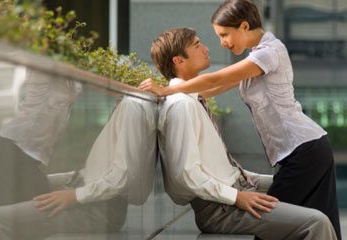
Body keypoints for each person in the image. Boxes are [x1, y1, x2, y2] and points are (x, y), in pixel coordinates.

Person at [139, 0, 341, 239]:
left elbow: (216, 80)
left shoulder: (268, 53)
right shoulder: (254, 60)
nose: (221, 43)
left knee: (288, 226)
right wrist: (178, 90)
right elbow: (216, 87)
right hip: (305, 149)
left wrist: (168, 90)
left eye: (224, 34)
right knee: (311, 218)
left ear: (244, 26)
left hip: (304, 149)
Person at [0, 95, 157, 239]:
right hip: (89, 194)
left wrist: (74, 196)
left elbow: (123, 177)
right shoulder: (125, 104)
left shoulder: (131, 107)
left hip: (97, 211)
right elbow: (103, 170)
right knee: (16, 185)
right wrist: (63, 180)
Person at [0, 69, 82, 210]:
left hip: (31, 155)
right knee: (4, 215)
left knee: (26, 216)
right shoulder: (43, 65)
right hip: (13, 147)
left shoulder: (71, 70)